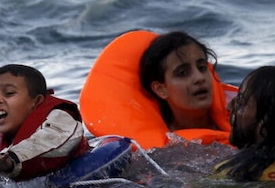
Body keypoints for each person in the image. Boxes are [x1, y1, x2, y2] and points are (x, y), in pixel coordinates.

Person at [79, 30, 236, 150]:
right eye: (183, 73)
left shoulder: (244, 116)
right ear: (161, 89)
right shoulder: (158, 150)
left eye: (202, 67)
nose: (199, 78)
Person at [0, 64, 89, 181]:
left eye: (9, 93)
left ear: (36, 102)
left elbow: (48, 141)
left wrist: (9, 161)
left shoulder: (61, 119)